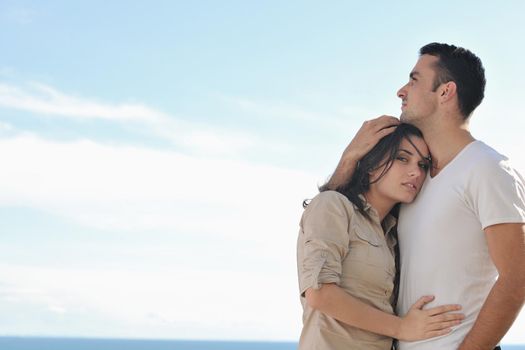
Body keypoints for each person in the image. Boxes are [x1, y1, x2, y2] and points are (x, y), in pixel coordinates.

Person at [325, 43, 525, 349]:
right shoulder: (413, 180)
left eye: (414, 79)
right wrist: (349, 158)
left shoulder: (488, 168)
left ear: (445, 92)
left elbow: (517, 278)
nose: (401, 91)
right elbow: (335, 223)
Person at [297, 123, 465, 350]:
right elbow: (320, 294)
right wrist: (402, 328)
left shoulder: (392, 235)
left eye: (423, 165)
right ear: (372, 164)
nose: (416, 172)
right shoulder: (332, 205)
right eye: (402, 158)